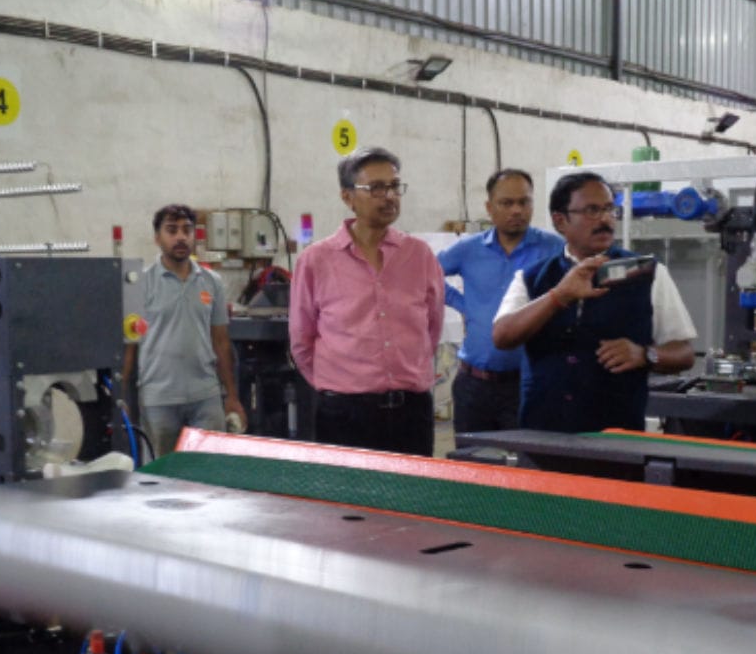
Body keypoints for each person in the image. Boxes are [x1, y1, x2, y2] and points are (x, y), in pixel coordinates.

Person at [492, 171, 696, 433]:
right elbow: (502, 336)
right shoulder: (532, 277)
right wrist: (559, 296)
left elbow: (685, 353)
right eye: (591, 210)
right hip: (543, 432)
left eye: (610, 209)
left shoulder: (648, 274)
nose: (605, 219)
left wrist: (646, 354)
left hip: (617, 437)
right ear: (560, 220)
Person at [289, 146, 445, 456]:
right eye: (375, 188)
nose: (389, 196)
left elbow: (432, 326)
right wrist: (338, 386)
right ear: (347, 197)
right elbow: (302, 340)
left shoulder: (419, 255)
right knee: (348, 504)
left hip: (410, 413)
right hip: (345, 416)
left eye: (394, 186)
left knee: (412, 502)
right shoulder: (316, 260)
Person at [437, 169, 563, 433]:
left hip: (528, 384)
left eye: (524, 202)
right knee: (470, 466)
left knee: (526, 466)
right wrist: (463, 304)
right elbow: (428, 275)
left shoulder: (553, 249)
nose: (517, 210)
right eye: (507, 203)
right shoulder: (469, 249)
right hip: (473, 386)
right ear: (489, 208)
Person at [123, 203, 245, 456]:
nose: (180, 237)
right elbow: (130, 348)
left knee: (212, 474)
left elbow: (220, 341)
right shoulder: (141, 284)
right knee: (161, 477)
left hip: (206, 397)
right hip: (159, 399)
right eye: (171, 230)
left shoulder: (212, 283)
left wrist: (231, 396)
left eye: (187, 230)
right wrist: (121, 399)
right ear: (157, 238)